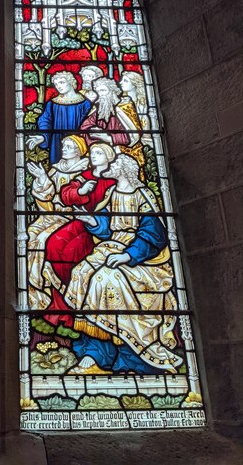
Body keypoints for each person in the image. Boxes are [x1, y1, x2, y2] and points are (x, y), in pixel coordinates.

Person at [65, 154, 181, 375]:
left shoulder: (142, 196)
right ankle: (96, 350)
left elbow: (153, 234)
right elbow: (108, 227)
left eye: (114, 163)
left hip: (143, 258)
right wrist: (91, 220)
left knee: (106, 279)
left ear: (125, 170)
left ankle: (132, 355)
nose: (109, 166)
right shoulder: (111, 193)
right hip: (113, 246)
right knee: (81, 272)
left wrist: (128, 256)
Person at [40, 143, 117, 332]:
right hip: (82, 221)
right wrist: (81, 191)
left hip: (100, 228)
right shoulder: (86, 177)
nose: (93, 156)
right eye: (92, 153)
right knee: (54, 244)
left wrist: (94, 221)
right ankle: (63, 300)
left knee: (73, 250)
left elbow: (118, 213)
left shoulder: (114, 181)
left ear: (108, 157)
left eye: (98, 153)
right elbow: (66, 194)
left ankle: (75, 301)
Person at [27, 135, 89, 313]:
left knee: (43, 240)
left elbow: (84, 200)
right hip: (51, 216)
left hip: (72, 218)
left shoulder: (83, 172)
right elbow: (47, 201)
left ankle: (41, 289)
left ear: (78, 151)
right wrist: (42, 179)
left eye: (69, 147)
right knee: (30, 235)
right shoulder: (56, 170)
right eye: (64, 147)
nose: (65, 150)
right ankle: (32, 290)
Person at [27, 71, 92, 164]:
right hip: (57, 140)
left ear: (71, 82)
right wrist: (43, 136)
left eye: (61, 82)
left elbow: (88, 125)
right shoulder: (52, 103)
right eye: (56, 84)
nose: (58, 86)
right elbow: (45, 121)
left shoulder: (85, 103)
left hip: (77, 142)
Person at [80, 77, 144, 168]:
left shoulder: (125, 107)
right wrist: (92, 131)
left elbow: (134, 136)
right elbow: (85, 126)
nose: (100, 95)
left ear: (112, 90)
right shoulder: (99, 108)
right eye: (98, 92)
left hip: (125, 154)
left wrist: (110, 138)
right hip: (101, 153)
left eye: (103, 90)